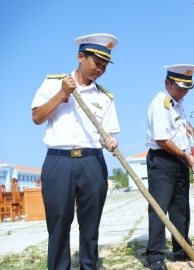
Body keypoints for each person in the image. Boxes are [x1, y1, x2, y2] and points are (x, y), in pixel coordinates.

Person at [31, 33, 120, 270]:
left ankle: (88, 266)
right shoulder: (53, 83)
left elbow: (107, 133)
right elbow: (37, 117)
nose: (100, 70)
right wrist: (62, 94)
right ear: (81, 57)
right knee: (59, 222)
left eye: (104, 66)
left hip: (92, 162)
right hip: (58, 162)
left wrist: (109, 141)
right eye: (96, 63)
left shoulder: (105, 97)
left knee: (90, 224)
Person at [145, 64, 194, 270]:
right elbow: (162, 140)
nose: (184, 92)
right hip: (162, 160)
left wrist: (187, 126)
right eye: (180, 88)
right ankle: (155, 255)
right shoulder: (160, 104)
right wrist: (185, 155)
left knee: (181, 208)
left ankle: (181, 249)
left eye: (187, 88)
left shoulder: (177, 102)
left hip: (179, 159)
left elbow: (177, 124)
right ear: (167, 83)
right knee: (160, 209)